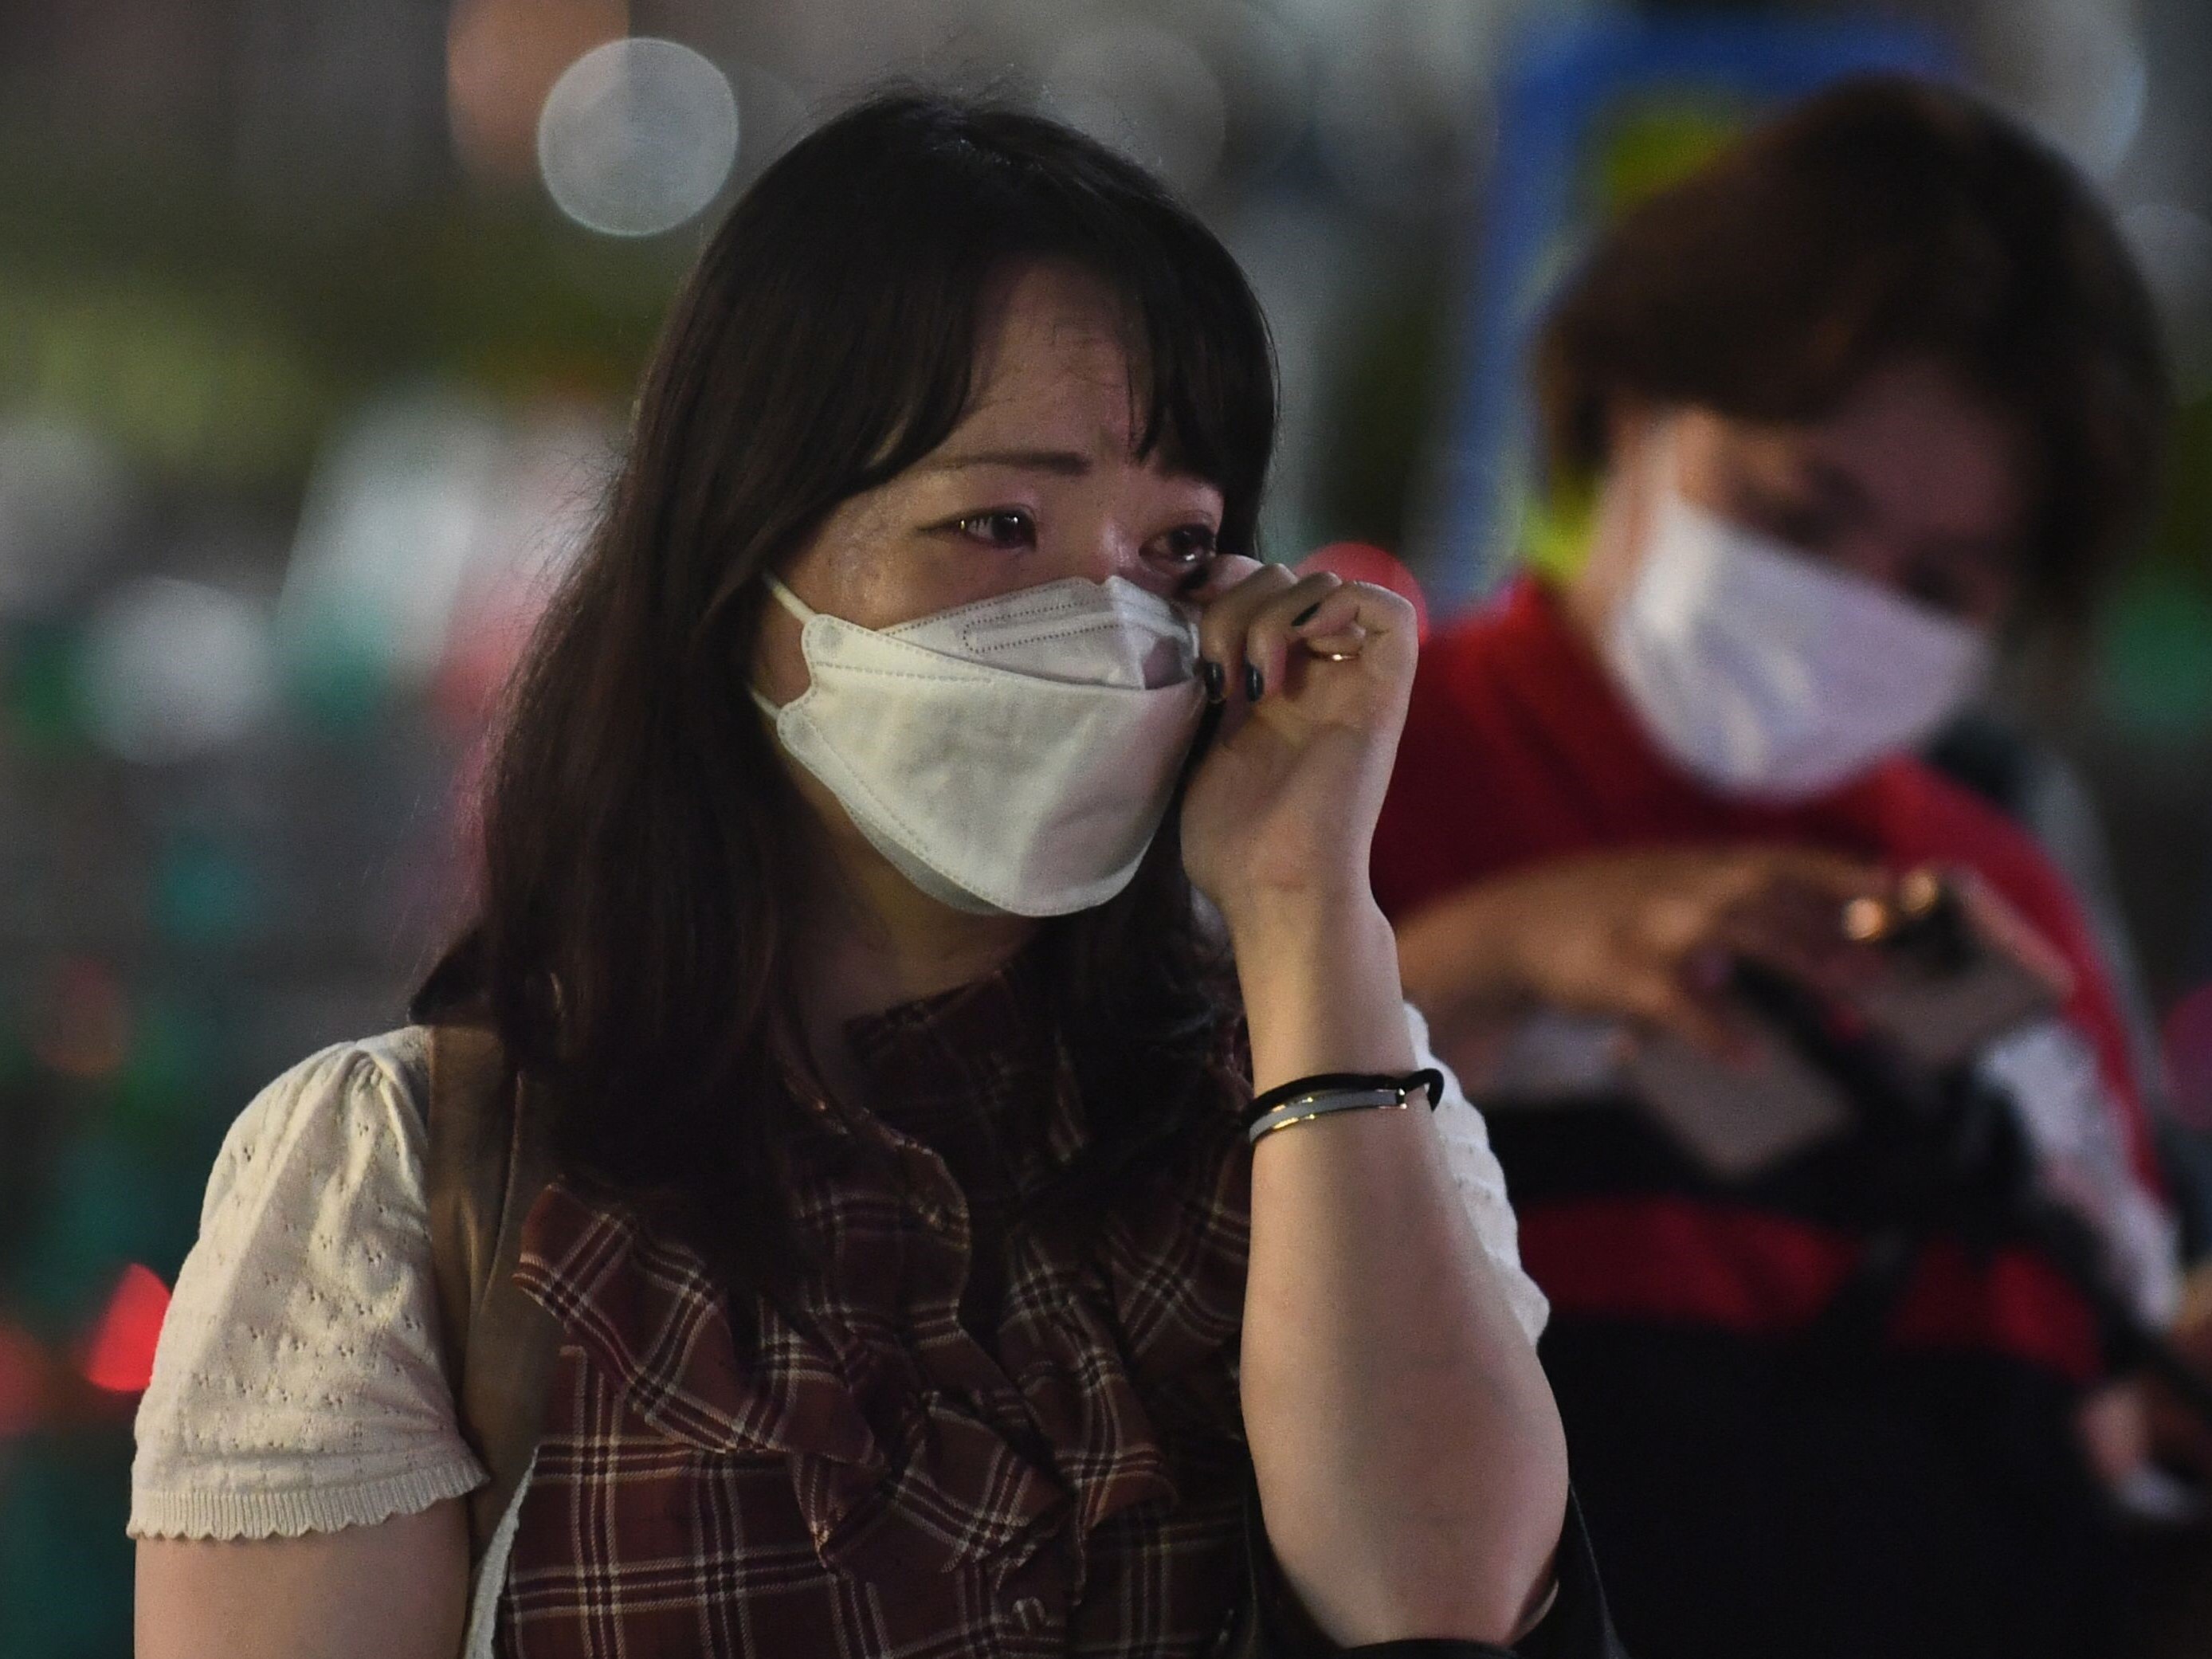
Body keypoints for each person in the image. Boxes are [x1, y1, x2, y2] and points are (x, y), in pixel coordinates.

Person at [127, 93, 1589, 1658]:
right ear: (740, 559)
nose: (1108, 624)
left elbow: (1440, 1602)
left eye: (1175, 550)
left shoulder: (1328, 1105)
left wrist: (1303, 903)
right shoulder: (413, 1180)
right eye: (999, 524)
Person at [1371, 75, 2181, 1659]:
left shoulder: (2000, 899)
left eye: (1940, 585)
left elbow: (2100, 1431)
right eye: (1800, 515)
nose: (1850, 607)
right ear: (1629, 402)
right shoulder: (1360, 783)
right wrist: (1482, 959)